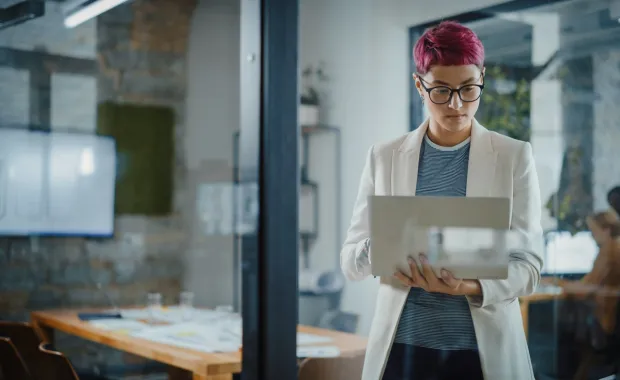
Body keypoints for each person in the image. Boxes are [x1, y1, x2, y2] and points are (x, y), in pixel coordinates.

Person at [340, 21, 543, 380]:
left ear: (482, 77)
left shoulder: (513, 157)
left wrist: (466, 287)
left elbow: (528, 267)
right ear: (419, 85)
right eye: (441, 91)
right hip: (402, 350)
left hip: (480, 353)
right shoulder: (384, 157)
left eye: (468, 89)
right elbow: (350, 261)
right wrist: (381, 246)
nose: (456, 104)